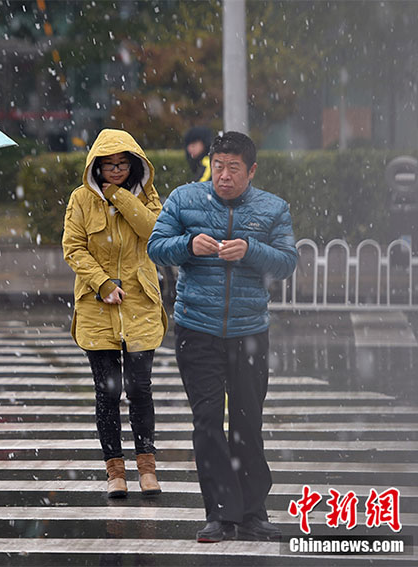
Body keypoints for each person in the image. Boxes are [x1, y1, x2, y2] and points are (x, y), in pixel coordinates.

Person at [147, 131, 297, 543]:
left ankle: (252, 512)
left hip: (250, 331)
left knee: (248, 422)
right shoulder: (184, 199)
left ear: (251, 171)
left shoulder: (272, 209)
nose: (224, 176)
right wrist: (188, 245)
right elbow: (156, 247)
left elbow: (287, 262)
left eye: (233, 168)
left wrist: (250, 249)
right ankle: (219, 514)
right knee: (207, 421)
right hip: (197, 329)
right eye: (218, 166)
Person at [62, 129, 168, 499]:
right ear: (96, 166)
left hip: (140, 304)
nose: (116, 170)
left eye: (122, 165)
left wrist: (121, 197)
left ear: (134, 165)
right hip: (96, 306)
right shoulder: (80, 199)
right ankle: (115, 470)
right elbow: (73, 247)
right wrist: (101, 282)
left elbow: (153, 231)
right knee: (108, 391)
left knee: (140, 388)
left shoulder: (147, 195)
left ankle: (147, 467)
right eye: (108, 166)